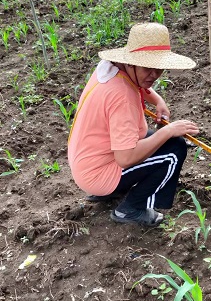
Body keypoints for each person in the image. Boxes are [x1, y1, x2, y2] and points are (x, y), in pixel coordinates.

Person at [68, 22, 199, 227]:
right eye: (148, 68)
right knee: (174, 150)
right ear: (131, 63)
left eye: (159, 69)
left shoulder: (110, 69)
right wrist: (169, 131)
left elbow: (137, 83)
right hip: (98, 173)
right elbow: (126, 158)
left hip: (85, 162)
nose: (154, 76)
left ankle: (110, 191)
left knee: (153, 138)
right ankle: (130, 209)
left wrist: (157, 100)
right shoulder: (122, 97)